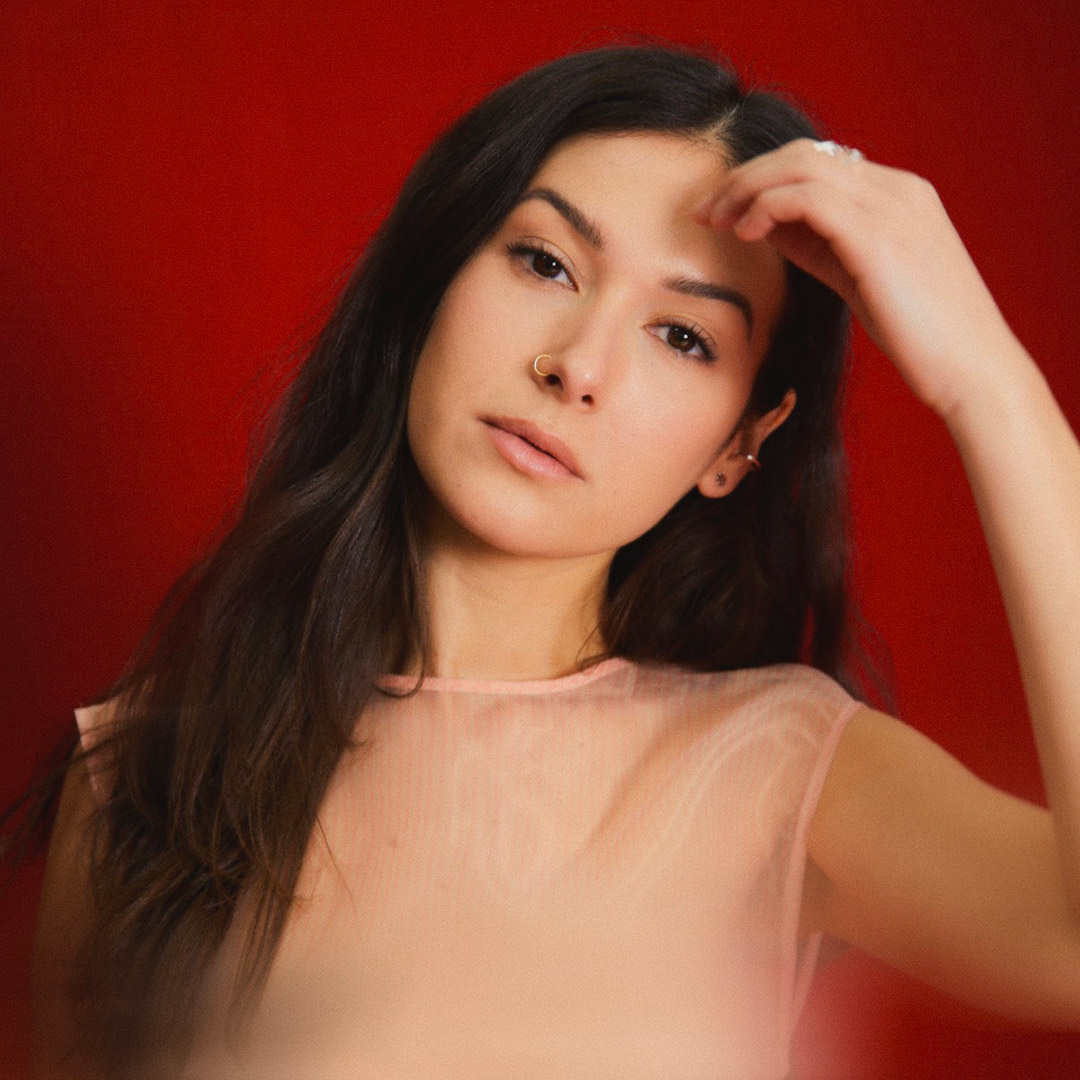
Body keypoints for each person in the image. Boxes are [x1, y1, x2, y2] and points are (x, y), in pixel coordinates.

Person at [5, 37, 1078, 1080]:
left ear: (742, 444)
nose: (577, 366)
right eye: (545, 261)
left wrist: (986, 380)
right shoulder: (142, 774)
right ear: (433, 276)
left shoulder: (785, 770)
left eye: (684, 335)